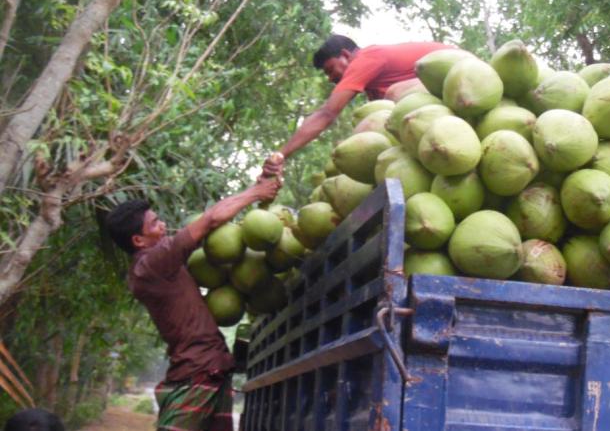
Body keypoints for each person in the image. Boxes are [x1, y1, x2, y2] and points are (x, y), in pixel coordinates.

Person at [103, 158, 282, 431]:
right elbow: (210, 221)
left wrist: (255, 191)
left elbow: (227, 230)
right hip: (199, 370)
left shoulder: (158, 265)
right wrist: (255, 194)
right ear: (138, 241)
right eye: (154, 224)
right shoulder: (152, 264)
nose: (163, 226)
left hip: (211, 367)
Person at [275, 34, 453, 161]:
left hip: (460, 76)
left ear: (345, 55)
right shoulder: (374, 89)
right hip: (442, 91)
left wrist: (281, 154)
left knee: (393, 99)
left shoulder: (366, 58)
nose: (330, 78)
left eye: (330, 70)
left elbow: (327, 114)